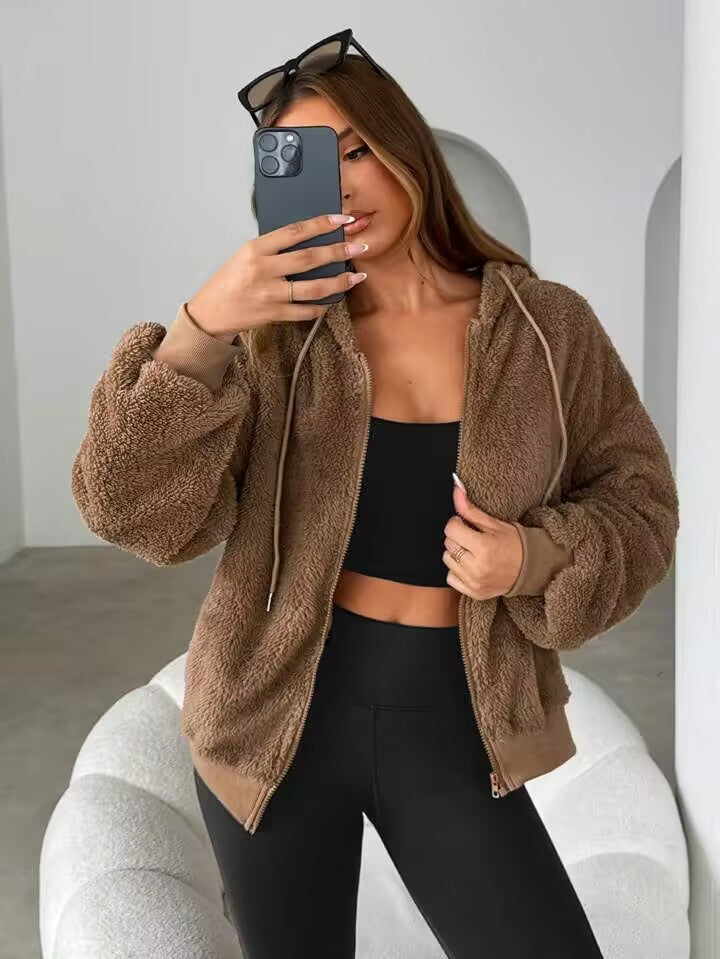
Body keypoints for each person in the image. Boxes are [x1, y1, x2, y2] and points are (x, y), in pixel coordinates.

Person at [71, 30, 679, 959]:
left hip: (455, 716)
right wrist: (200, 327)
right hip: (277, 716)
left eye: (357, 149)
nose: (345, 186)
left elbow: (642, 502)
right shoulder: (271, 335)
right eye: (313, 164)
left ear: (408, 148)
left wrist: (534, 556)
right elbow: (129, 507)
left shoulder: (546, 328)